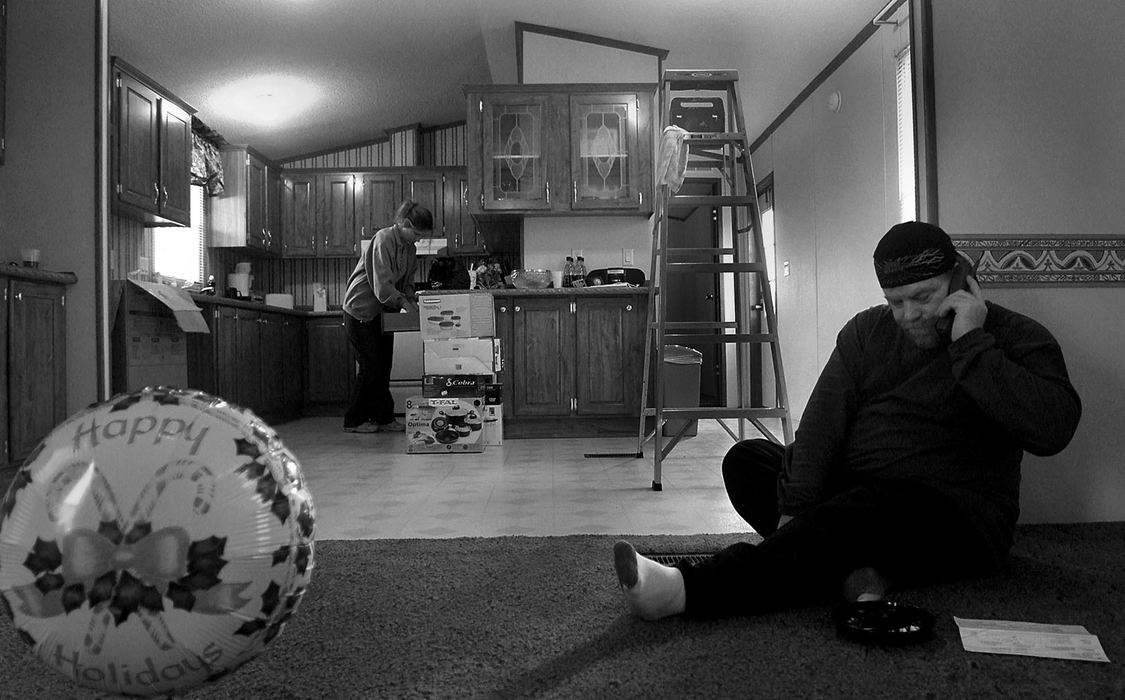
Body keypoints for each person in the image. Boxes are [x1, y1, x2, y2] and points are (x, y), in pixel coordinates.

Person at [614, 221, 1082, 619]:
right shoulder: (867, 331)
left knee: (863, 510)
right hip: (858, 494)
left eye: (923, 297)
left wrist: (971, 346)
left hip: (956, 518)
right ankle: (859, 570)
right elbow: (821, 424)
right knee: (747, 461)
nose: (909, 315)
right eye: (896, 301)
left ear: (961, 279)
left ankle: (686, 591)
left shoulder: (1015, 337)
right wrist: (796, 509)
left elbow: (1053, 429)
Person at [341, 200, 431, 433]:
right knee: (371, 366)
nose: (419, 239)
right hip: (360, 309)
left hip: (383, 313)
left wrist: (414, 302)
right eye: (417, 233)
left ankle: (383, 417)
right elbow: (383, 287)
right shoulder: (383, 239)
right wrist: (405, 305)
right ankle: (354, 420)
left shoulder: (410, 249)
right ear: (404, 224)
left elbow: (407, 282)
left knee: (384, 367)